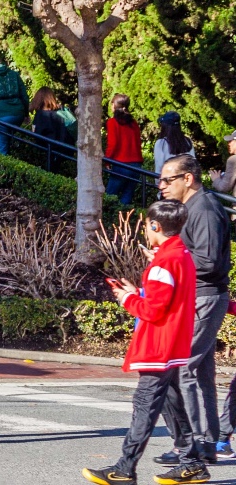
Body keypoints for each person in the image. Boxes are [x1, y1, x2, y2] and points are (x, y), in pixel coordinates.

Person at [83, 199, 198, 485]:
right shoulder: (181, 255)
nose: (146, 230)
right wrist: (140, 291)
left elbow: (151, 311)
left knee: (145, 405)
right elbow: (166, 300)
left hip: (158, 345)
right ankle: (192, 462)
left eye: (147, 225)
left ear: (155, 226)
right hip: (173, 343)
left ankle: (124, 468)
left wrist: (128, 298)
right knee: (171, 402)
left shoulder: (164, 262)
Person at [154, 154, 230, 474]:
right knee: (201, 373)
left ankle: (193, 445)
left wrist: (170, 263)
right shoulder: (193, 208)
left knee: (181, 369)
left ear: (188, 179)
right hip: (198, 297)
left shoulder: (206, 209)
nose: (162, 186)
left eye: (168, 180)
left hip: (203, 298)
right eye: (161, 180)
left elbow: (210, 261)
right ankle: (207, 443)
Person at [109, 95, 147, 203]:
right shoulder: (133, 123)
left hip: (121, 163)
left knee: (110, 195)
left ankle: (107, 218)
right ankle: (124, 218)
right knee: (127, 195)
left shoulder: (112, 122)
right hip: (136, 164)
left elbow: (112, 144)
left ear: (114, 106)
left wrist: (106, 159)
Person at [33, 87, 74, 156]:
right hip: (65, 148)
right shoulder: (60, 113)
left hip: (50, 149)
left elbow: (37, 134)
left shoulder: (41, 115)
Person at [155, 112, 194, 178]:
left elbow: (159, 167)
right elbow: (193, 164)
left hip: (169, 181)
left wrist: (158, 183)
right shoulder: (187, 141)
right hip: (186, 182)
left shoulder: (161, 143)